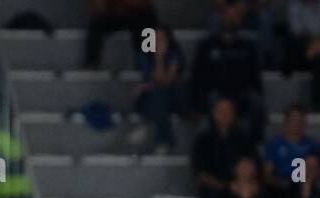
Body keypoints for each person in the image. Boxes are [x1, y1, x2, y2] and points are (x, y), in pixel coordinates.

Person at [190, 0, 266, 140]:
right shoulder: (207, 46)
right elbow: (197, 77)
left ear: (240, 19)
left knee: (256, 104)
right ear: (221, 17)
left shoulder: (247, 48)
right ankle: (217, 144)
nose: (231, 18)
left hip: (240, 95)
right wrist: (193, 104)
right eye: (228, 14)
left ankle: (253, 147)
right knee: (213, 103)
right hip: (215, 95)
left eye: (235, 15)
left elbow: (255, 80)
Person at [191, 96, 258, 198]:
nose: (225, 114)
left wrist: (242, 183)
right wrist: (225, 186)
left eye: (229, 110)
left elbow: (252, 164)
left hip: (241, 185)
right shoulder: (203, 140)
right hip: (214, 188)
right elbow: (200, 173)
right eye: (221, 110)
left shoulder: (244, 138)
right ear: (214, 113)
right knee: (211, 194)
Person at [131, 24, 186, 152]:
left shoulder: (174, 53)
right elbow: (154, 78)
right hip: (153, 96)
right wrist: (158, 58)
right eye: (155, 39)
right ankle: (164, 141)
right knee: (158, 95)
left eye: (161, 39)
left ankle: (144, 122)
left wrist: (159, 57)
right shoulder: (144, 54)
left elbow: (166, 80)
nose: (157, 42)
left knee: (160, 92)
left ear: (168, 40)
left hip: (172, 96)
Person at [284, 0, 320, 110]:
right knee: (292, 41)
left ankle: (318, 102)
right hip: (303, 51)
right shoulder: (295, 6)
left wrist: (319, 45)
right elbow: (296, 32)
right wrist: (313, 44)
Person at [263, 104, 320, 198]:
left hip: (305, 188)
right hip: (280, 191)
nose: (297, 123)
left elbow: (318, 172)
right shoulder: (275, 144)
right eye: (293, 119)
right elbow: (267, 173)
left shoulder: (312, 145)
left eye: (300, 120)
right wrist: (282, 183)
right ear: (286, 121)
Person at [83, 0, 159, 69]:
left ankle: (148, 61)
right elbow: (98, 8)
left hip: (136, 13)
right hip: (112, 13)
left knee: (148, 20)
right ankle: (91, 63)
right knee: (96, 24)